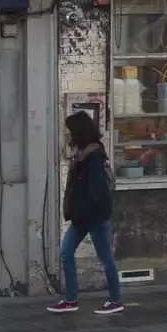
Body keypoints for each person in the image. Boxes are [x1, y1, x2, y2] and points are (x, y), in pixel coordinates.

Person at [48, 111, 123, 315]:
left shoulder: (93, 155)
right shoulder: (80, 152)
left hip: (95, 217)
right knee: (66, 253)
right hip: (81, 216)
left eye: (68, 130)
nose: (66, 134)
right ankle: (71, 299)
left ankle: (116, 299)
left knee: (105, 257)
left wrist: (88, 210)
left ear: (78, 130)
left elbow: (96, 190)